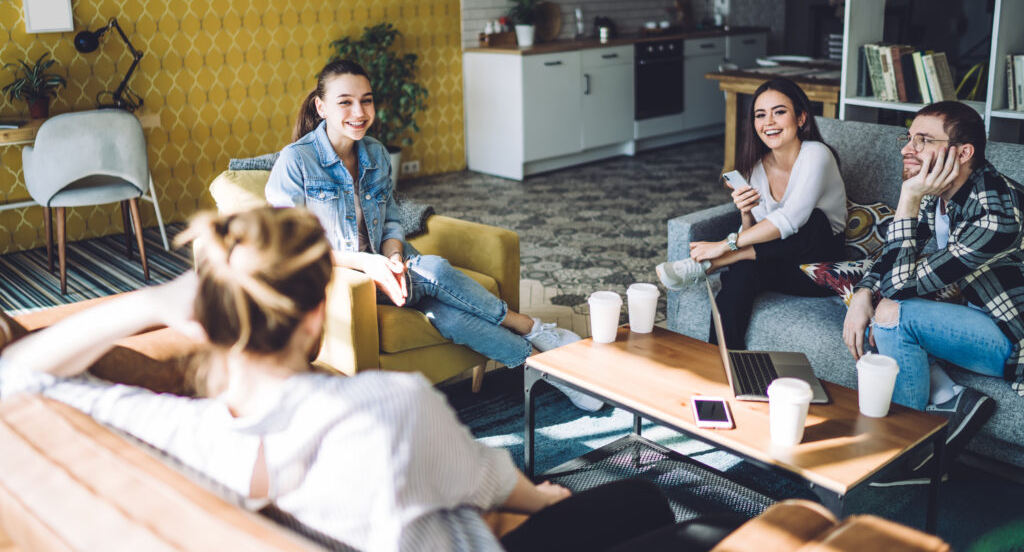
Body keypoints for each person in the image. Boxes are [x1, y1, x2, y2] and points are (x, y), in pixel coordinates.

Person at [0, 207, 741, 552]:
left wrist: (148, 302)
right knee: (651, 500)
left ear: (206, 318)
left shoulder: (177, 432)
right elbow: (499, 486)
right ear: (319, 309)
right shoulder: (384, 406)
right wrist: (537, 497)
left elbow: (15, 376)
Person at [265, 59, 601, 411]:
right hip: (345, 275)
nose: (359, 112)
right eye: (345, 101)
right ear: (321, 107)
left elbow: (391, 222)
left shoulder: (376, 153)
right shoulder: (296, 161)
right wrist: (369, 263)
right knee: (437, 271)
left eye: (367, 100)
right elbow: (292, 248)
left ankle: (548, 371)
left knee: (450, 318)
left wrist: (392, 257)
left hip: (391, 263)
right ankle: (532, 327)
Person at [842, 101, 1024, 486]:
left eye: (923, 140)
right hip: (971, 314)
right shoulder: (943, 193)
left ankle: (907, 453)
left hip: (1012, 337)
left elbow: (904, 282)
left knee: (894, 313)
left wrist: (907, 197)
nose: (907, 148)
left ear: (963, 152)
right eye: (908, 138)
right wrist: (862, 292)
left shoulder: (995, 211)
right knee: (873, 305)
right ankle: (948, 396)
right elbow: (893, 258)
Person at [656, 78, 847, 349]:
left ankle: (714, 264)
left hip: (818, 270)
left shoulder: (817, 154)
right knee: (743, 271)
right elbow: (755, 233)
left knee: (814, 222)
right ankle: (722, 363)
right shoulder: (757, 168)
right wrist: (745, 213)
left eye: (779, 112)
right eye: (760, 115)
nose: (768, 121)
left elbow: (791, 220)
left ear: (801, 117)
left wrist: (723, 246)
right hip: (780, 266)